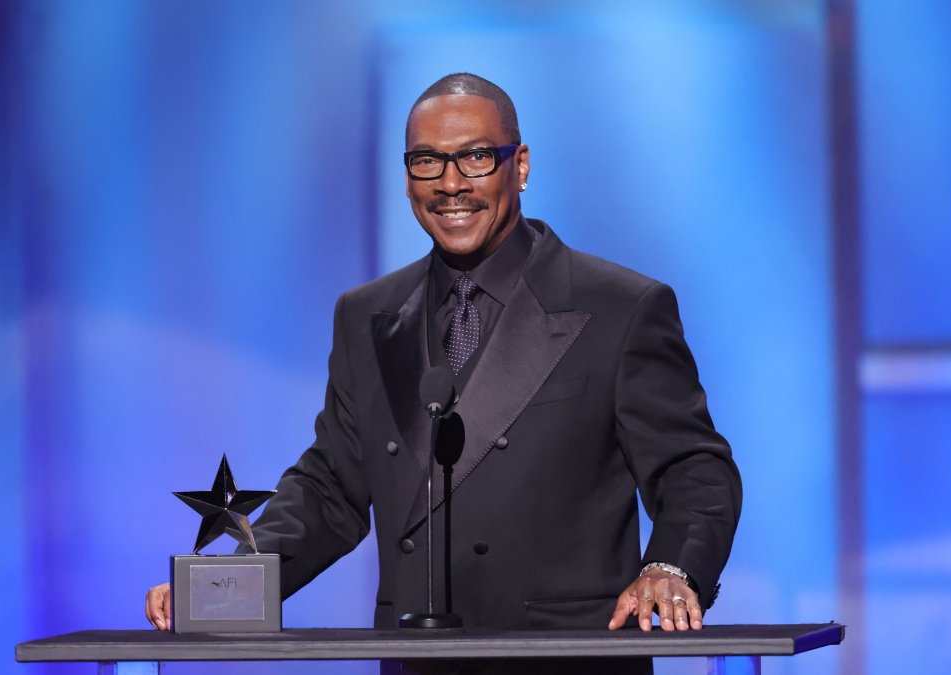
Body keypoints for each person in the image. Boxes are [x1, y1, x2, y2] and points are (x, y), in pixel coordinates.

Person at [146, 73, 740, 649]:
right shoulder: (368, 315)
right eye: (427, 161)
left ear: (521, 165)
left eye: (476, 157)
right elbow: (330, 487)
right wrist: (230, 585)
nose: (450, 184)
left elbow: (694, 469)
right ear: (407, 177)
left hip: (561, 658)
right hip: (419, 658)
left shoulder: (619, 307)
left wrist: (671, 566)